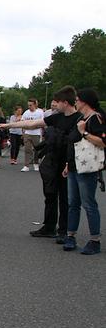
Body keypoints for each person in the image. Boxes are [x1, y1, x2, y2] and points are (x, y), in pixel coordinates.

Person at [0, 86, 81, 241]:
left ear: (65, 102)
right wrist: (10, 125)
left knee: (65, 198)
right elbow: (34, 124)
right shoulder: (57, 117)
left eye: (57, 102)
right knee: (50, 195)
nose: (55, 105)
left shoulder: (79, 119)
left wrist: (71, 164)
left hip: (68, 164)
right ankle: (49, 227)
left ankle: (64, 230)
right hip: (52, 162)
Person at [63, 88, 105, 255]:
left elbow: (102, 142)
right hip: (75, 166)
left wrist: (84, 132)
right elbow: (73, 143)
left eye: (78, 99)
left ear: (85, 101)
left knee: (89, 203)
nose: (76, 102)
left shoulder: (95, 118)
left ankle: (95, 240)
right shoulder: (81, 118)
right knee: (73, 203)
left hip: (87, 168)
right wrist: (68, 164)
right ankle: (70, 235)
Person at [21, 98, 45, 172]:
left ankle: (36, 163)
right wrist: (23, 132)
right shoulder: (26, 112)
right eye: (28, 105)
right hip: (27, 133)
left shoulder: (40, 112)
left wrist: (35, 126)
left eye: (30, 105)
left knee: (37, 149)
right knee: (27, 149)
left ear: (34, 104)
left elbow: (42, 122)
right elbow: (22, 122)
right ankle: (26, 165)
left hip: (36, 133)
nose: (29, 106)